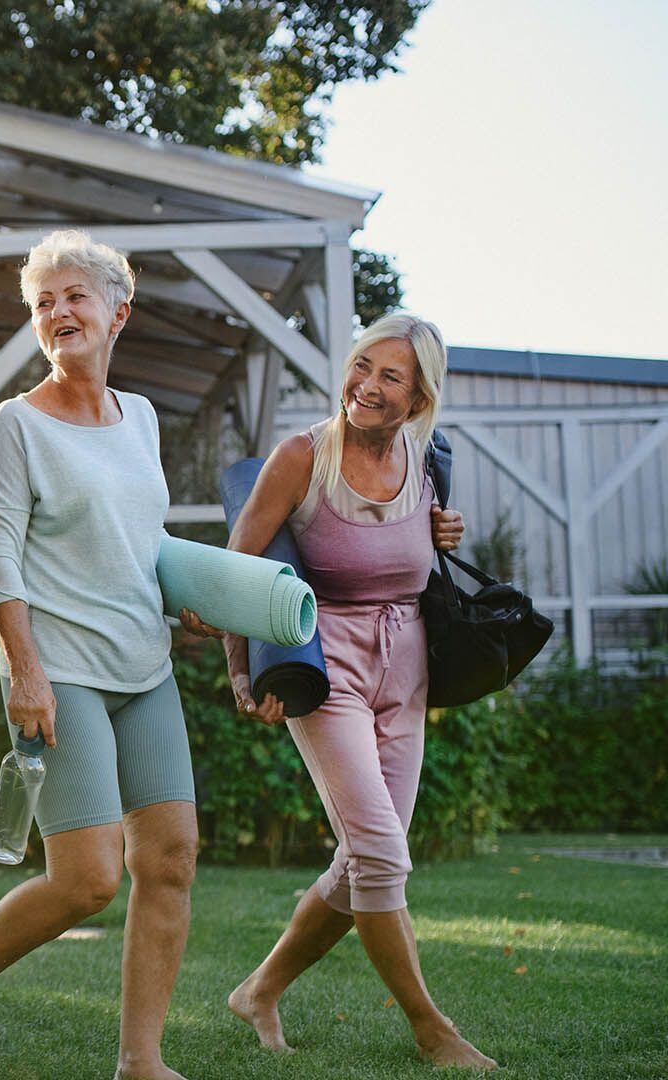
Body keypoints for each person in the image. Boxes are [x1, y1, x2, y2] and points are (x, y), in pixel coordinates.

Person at [0, 229, 219, 1080]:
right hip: (61, 669)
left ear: (119, 309)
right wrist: (25, 669)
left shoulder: (140, 417)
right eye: (44, 303)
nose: (58, 313)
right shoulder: (15, 425)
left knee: (173, 857)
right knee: (85, 880)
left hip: (144, 665)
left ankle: (140, 1061)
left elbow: (143, 540)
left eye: (74, 296)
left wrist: (190, 597)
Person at [221, 313, 496, 1070]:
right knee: (379, 853)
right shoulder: (302, 456)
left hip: (406, 666)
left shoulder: (427, 460)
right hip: (327, 666)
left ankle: (260, 990)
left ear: (418, 398)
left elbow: (421, 558)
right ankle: (430, 1028)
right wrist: (245, 675)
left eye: (391, 377)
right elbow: (237, 569)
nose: (366, 387)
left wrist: (444, 533)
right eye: (362, 366)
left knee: (368, 858)